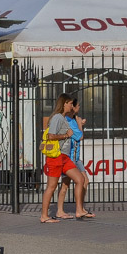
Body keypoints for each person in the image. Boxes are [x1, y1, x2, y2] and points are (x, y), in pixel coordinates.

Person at [39, 93, 93, 223]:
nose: (71, 106)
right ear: (64, 104)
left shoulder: (64, 118)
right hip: (56, 156)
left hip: (65, 157)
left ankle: (79, 211)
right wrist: (65, 135)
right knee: (51, 186)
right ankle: (44, 216)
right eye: (69, 103)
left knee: (80, 179)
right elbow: (51, 136)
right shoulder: (57, 118)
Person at [53, 97, 92, 220]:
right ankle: (61, 210)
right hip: (70, 157)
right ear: (73, 107)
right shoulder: (68, 121)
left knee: (84, 181)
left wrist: (79, 122)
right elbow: (79, 136)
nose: (79, 107)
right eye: (77, 105)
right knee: (66, 185)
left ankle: (80, 208)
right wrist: (80, 125)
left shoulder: (73, 119)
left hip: (76, 157)